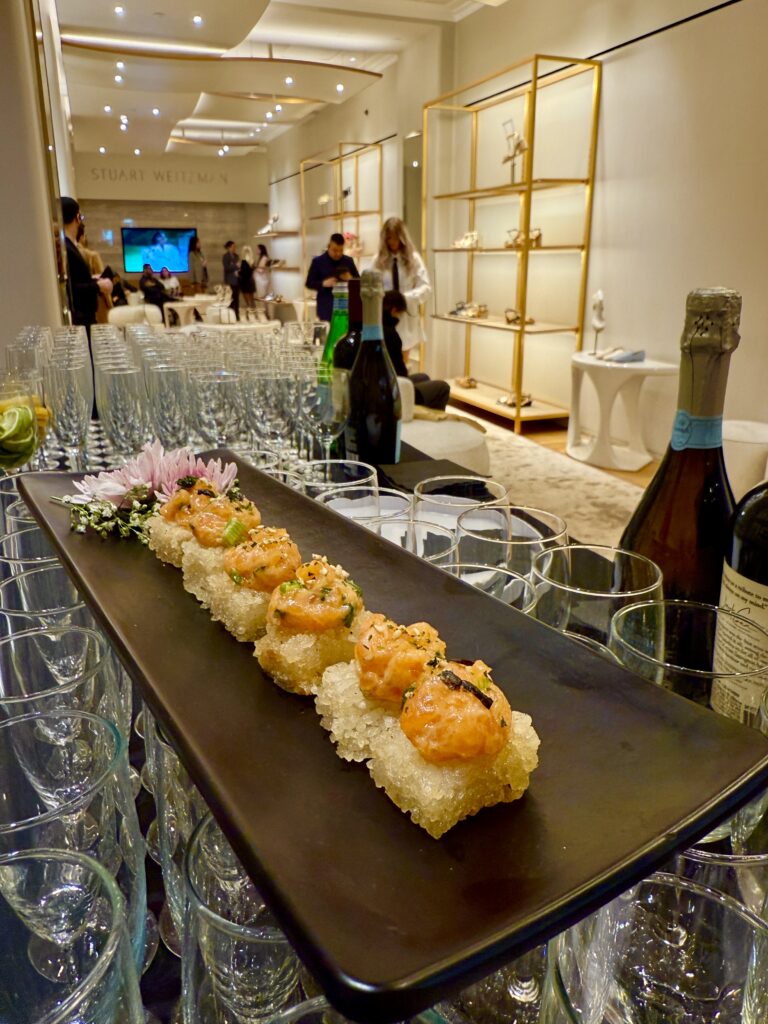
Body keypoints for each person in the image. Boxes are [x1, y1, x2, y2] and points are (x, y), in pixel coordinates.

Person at [373, 217, 431, 363]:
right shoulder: (378, 261)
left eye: (395, 237)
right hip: (384, 317)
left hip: (406, 316)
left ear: (402, 237)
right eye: (389, 238)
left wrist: (404, 299)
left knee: (403, 363)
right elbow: (371, 288)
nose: (392, 242)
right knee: (385, 360)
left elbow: (426, 288)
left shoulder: (414, 259)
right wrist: (386, 300)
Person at [383, 291, 450, 411]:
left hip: (386, 385)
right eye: (400, 314)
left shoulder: (377, 328)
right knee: (443, 387)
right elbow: (399, 372)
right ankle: (430, 418)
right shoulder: (390, 334)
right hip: (395, 392)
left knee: (423, 376)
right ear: (394, 310)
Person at [60, 196, 112, 334]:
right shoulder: (67, 248)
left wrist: (93, 279)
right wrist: (98, 285)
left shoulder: (69, 246)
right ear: (77, 217)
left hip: (84, 318)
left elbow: (76, 280)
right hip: (81, 320)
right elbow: (70, 287)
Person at [305, 232, 359, 322]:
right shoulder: (318, 262)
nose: (338, 253)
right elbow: (309, 283)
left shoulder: (348, 261)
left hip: (345, 308)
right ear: (329, 246)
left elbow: (358, 283)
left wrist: (350, 279)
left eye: (341, 251)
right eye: (335, 250)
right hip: (326, 308)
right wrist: (323, 284)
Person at [222, 240, 240, 321]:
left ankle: (237, 314)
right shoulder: (225, 256)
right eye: (233, 247)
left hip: (237, 280)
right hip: (229, 280)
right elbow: (226, 268)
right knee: (230, 299)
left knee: (236, 298)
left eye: (235, 247)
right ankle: (230, 315)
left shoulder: (236, 256)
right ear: (229, 247)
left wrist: (235, 266)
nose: (234, 248)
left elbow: (239, 266)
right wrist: (235, 266)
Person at [238, 245, 256, 312]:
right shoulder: (252, 260)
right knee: (251, 296)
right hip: (250, 279)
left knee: (246, 295)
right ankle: (253, 308)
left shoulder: (243, 261)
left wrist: (238, 272)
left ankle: (249, 308)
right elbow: (251, 270)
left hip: (245, 280)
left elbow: (243, 272)